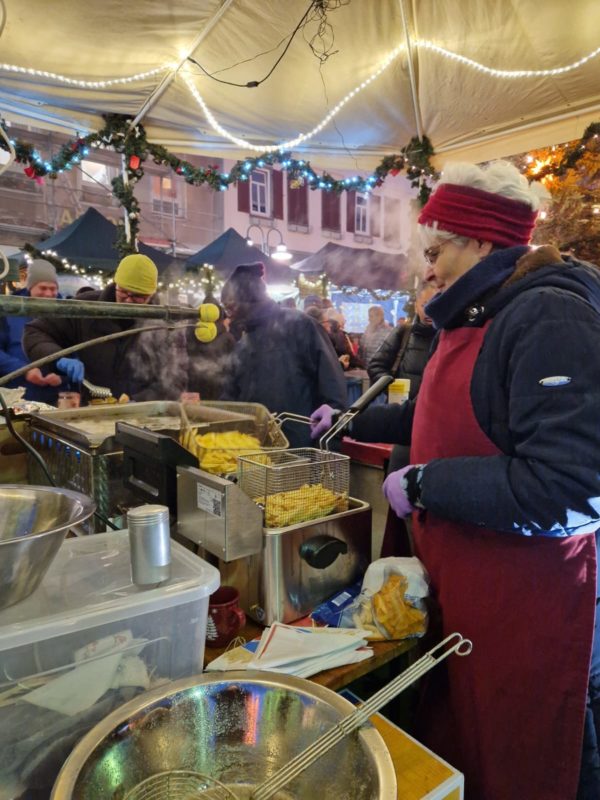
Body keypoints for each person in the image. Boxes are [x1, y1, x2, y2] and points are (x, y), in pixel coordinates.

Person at [310, 160, 600, 800]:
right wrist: (355, 419)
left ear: (485, 241)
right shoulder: (474, 314)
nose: (427, 270)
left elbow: (570, 487)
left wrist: (424, 487)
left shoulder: (548, 317)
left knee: (526, 765)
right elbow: (440, 410)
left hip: (527, 610)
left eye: (437, 251)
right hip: (467, 599)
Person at [23, 253, 188, 401]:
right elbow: (35, 333)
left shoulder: (166, 323)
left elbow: (176, 380)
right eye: (123, 292)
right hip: (94, 411)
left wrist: (138, 402)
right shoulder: (87, 308)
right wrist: (57, 358)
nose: (129, 300)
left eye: (138, 296)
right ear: (116, 284)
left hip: (145, 415)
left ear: (152, 294)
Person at [220, 262, 346, 447]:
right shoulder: (243, 344)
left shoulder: (300, 325)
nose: (228, 314)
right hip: (255, 451)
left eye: (230, 307)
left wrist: (330, 443)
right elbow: (231, 397)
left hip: (302, 448)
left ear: (248, 299)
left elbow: (332, 386)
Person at [367, 281, 437, 556]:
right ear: (417, 304)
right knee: (400, 511)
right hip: (405, 430)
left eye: (435, 303)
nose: (429, 310)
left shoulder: (452, 335)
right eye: (424, 304)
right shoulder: (405, 333)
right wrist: (391, 389)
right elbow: (377, 364)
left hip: (433, 433)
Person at [0, 259, 63, 402]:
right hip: (16, 397)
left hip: (54, 398)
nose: (48, 294)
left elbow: (75, 353)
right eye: (43, 288)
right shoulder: (9, 310)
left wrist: (62, 375)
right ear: (30, 287)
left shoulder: (66, 313)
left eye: (53, 288)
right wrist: (24, 370)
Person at [186, 303, 235, 400]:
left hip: (194, 386)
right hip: (219, 387)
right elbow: (232, 366)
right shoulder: (228, 338)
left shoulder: (191, 333)